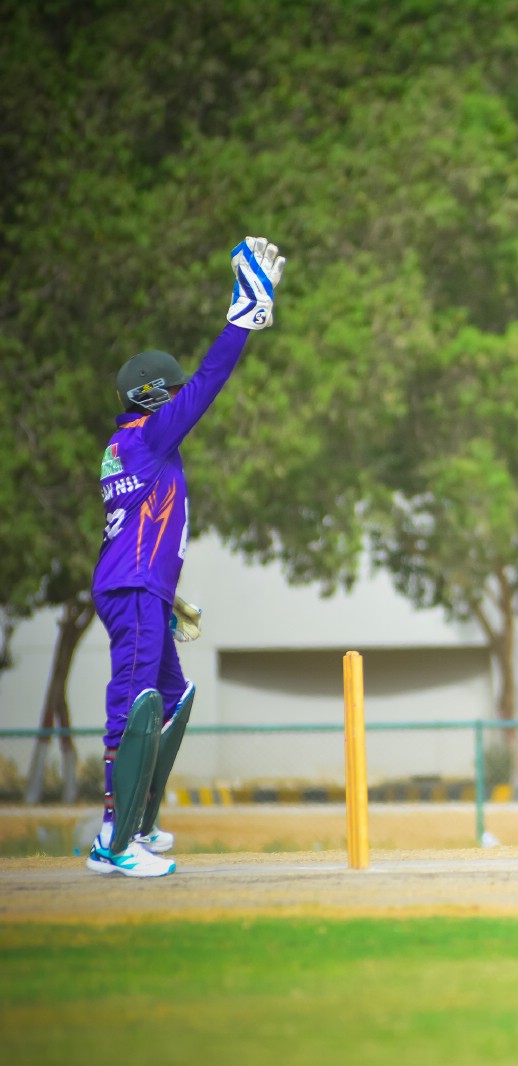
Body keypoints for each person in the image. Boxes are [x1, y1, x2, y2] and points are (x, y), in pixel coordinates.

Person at [86, 237, 285, 877]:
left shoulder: (129, 445)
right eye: (169, 395)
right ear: (152, 397)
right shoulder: (148, 435)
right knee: (133, 706)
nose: (179, 403)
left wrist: (166, 594)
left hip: (140, 587)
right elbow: (209, 382)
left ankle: (139, 822)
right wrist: (241, 318)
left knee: (171, 698)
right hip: (134, 590)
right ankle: (114, 841)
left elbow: (134, 531)